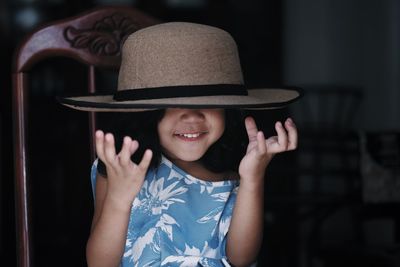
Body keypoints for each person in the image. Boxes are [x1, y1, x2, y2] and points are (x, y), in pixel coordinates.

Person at [59, 22, 301, 267]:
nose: (193, 116)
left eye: (210, 102)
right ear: (143, 113)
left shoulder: (234, 171)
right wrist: (119, 200)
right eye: (174, 103)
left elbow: (242, 259)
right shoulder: (122, 167)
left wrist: (252, 179)